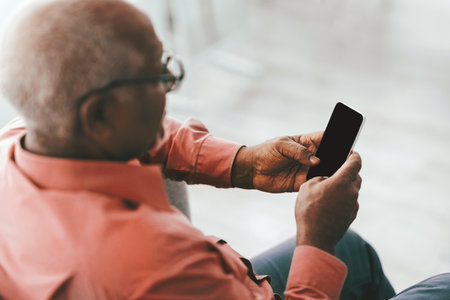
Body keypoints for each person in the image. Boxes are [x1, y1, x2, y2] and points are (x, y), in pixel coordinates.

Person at [0, 0, 447, 299]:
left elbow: (159, 135)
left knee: (353, 250)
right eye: (158, 78)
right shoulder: (158, 264)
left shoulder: (23, 140)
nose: (168, 89)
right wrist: (317, 238)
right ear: (98, 116)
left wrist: (243, 163)